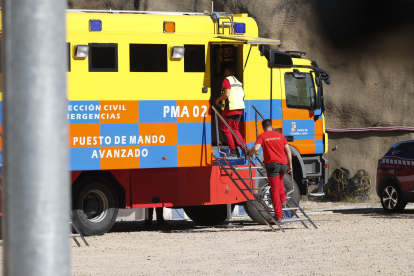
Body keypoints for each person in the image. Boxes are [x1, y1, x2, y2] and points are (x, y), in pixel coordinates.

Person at [247, 119, 292, 223]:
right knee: (280, 182)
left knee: (274, 189)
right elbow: (288, 151)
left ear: (263, 127)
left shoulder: (262, 136)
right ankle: (283, 200)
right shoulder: (280, 135)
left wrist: (249, 153)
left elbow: (257, 148)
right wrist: (290, 165)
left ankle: (278, 215)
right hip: (283, 164)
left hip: (273, 165)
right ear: (271, 126)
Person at [214, 65, 245, 158]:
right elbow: (244, 96)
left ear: (227, 71)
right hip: (239, 109)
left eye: (225, 70)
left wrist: (218, 100)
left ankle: (234, 151)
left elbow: (227, 94)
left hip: (230, 109)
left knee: (225, 129)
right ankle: (244, 148)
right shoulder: (238, 82)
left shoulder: (227, 80)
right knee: (235, 129)